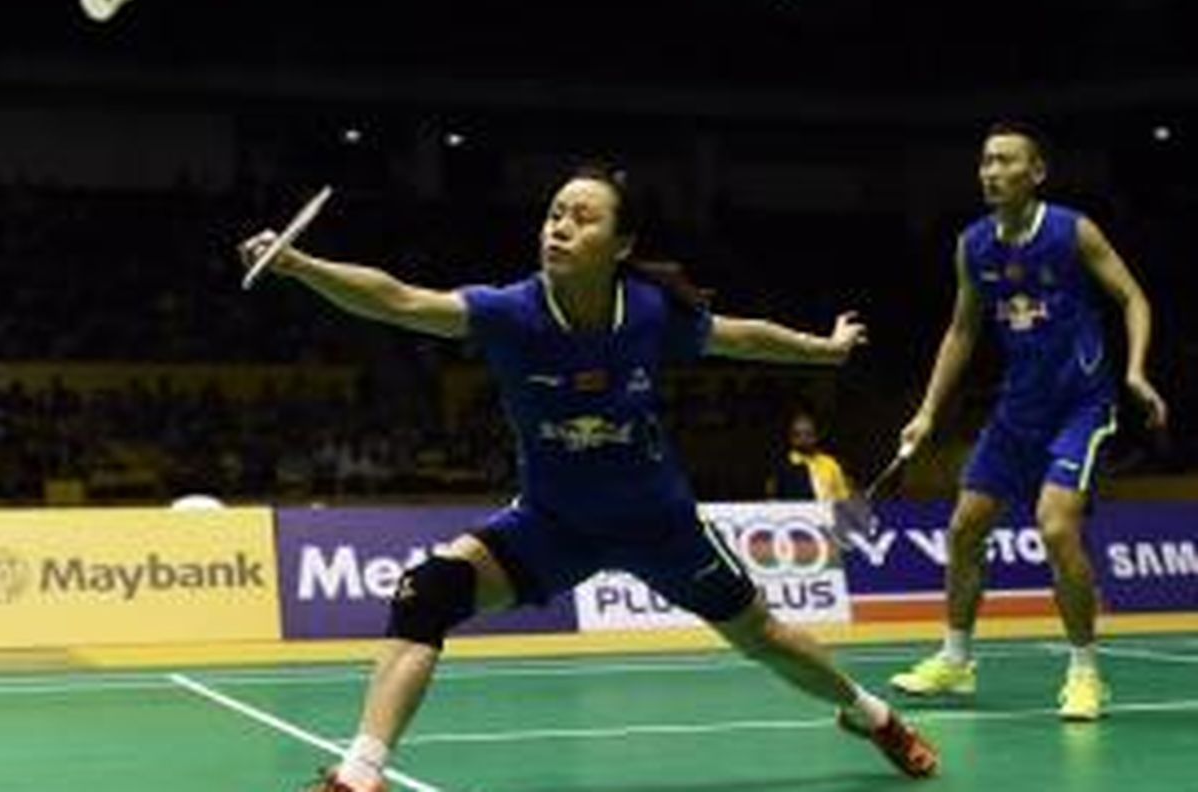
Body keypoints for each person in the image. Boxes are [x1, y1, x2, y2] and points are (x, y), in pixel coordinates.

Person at [239, 164, 938, 791]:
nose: (560, 226)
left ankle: (871, 714)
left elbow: (741, 335)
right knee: (427, 592)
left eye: (582, 217)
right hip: (553, 526)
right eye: (554, 214)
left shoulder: (651, 312)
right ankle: (362, 773)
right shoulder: (511, 312)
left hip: (659, 526)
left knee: (765, 637)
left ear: (622, 244)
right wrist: (298, 264)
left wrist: (827, 349)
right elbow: (401, 301)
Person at [889, 124, 1168, 721]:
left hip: (1081, 406)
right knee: (965, 527)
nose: (991, 171)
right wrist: (928, 412)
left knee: (1057, 527)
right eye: (985, 161)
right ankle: (956, 659)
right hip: (1018, 410)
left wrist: (1137, 372)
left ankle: (1086, 672)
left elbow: (1133, 298)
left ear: (1036, 171)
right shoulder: (973, 245)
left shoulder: (1072, 231)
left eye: (1005, 161)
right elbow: (962, 330)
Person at [765, 406, 851, 501]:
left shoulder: (830, 464)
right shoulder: (782, 466)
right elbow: (773, 499)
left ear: (816, 437)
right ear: (791, 438)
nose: (803, 439)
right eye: (797, 435)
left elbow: (842, 497)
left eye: (808, 434)